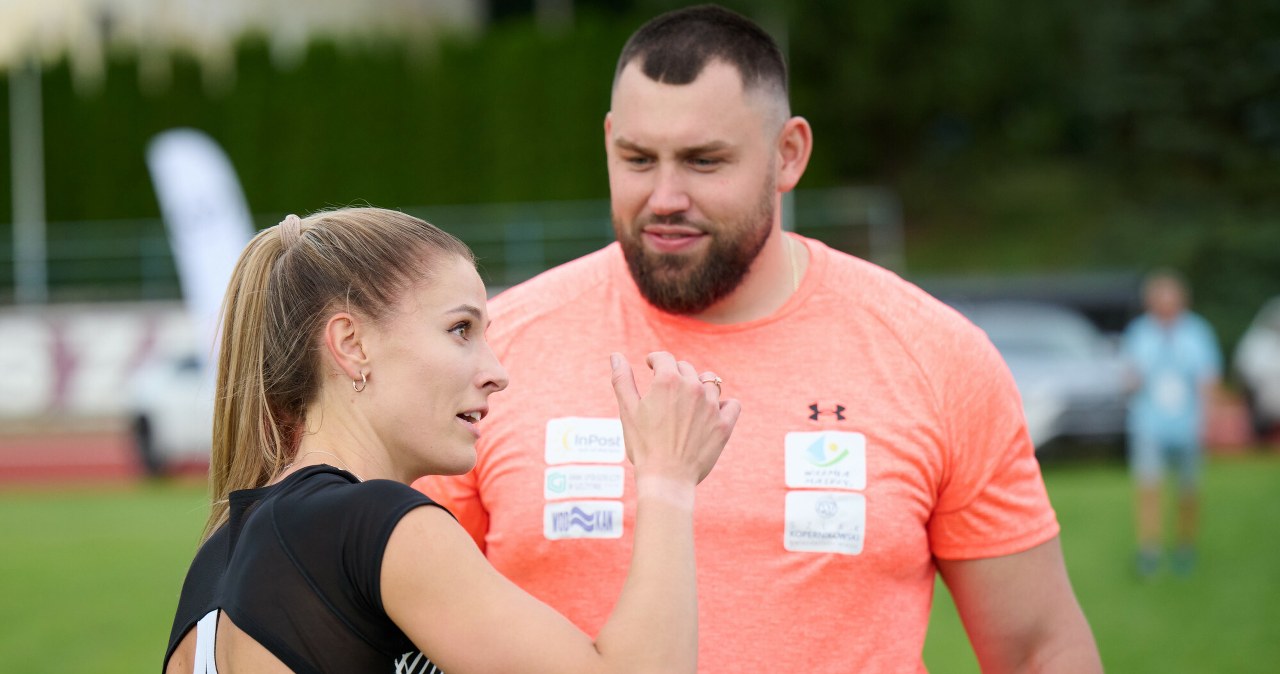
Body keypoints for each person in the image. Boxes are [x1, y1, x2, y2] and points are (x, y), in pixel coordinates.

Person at [414, 5, 1102, 672]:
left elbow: (1039, 650)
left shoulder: (933, 356)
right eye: (637, 158)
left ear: (789, 155)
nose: (665, 197)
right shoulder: (494, 354)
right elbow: (386, 622)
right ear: (608, 143)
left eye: (704, 161)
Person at [162, 207, 740, 673]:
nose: (496, 370)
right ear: (352, 344)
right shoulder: (377, 524)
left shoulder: (215, 559)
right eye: (460, 329)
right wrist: (668, 477)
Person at [1122, 269, 1221, 577]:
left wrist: (1209, 417)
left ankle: (1184, 547)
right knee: (1149, 487)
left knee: (1187, 490)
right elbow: (1129, 376)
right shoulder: (1139, 333)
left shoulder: (1197, 333)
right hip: (1149, 424)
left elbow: (1208, 378)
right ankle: (1149, 550)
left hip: (1188, 424)